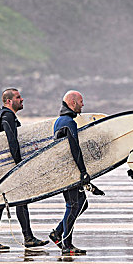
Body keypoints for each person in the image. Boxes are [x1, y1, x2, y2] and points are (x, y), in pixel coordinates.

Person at [0, 88, 49, 250]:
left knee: (19, 200)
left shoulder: (2, 115)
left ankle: (28, 237)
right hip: (9, 166)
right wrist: (19, 163)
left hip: (4, 165)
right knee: (0, 201)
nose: (22, 99)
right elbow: (12, 141)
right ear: (9, 101)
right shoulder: (7, 116)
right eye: (18, 97)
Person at [48, 91, 105, 255]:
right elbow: (75, 149)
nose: (83, 104)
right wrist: (83, 172)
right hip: (70, 172)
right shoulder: (68, 123)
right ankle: (67, 244)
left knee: (81, 204)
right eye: (81, 101)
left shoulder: (61, 121)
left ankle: (57, 233)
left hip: (66, 171)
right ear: (72, 103)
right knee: (73, 206)